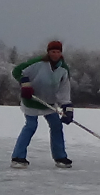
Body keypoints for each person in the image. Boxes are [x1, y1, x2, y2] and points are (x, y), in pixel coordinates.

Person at [10, 41, 74, 169]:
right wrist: (25, 84)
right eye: (53, 52)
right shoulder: (38, 63)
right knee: (31, 126)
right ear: (48, 52)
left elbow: (64, 90)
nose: (55, 54)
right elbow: (17, 71)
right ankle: (18, 157)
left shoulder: (63, 69)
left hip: (49, 104)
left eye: (58, 52)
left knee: (56, 126)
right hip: (31, 101)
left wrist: (67, 107)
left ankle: (60, 157)